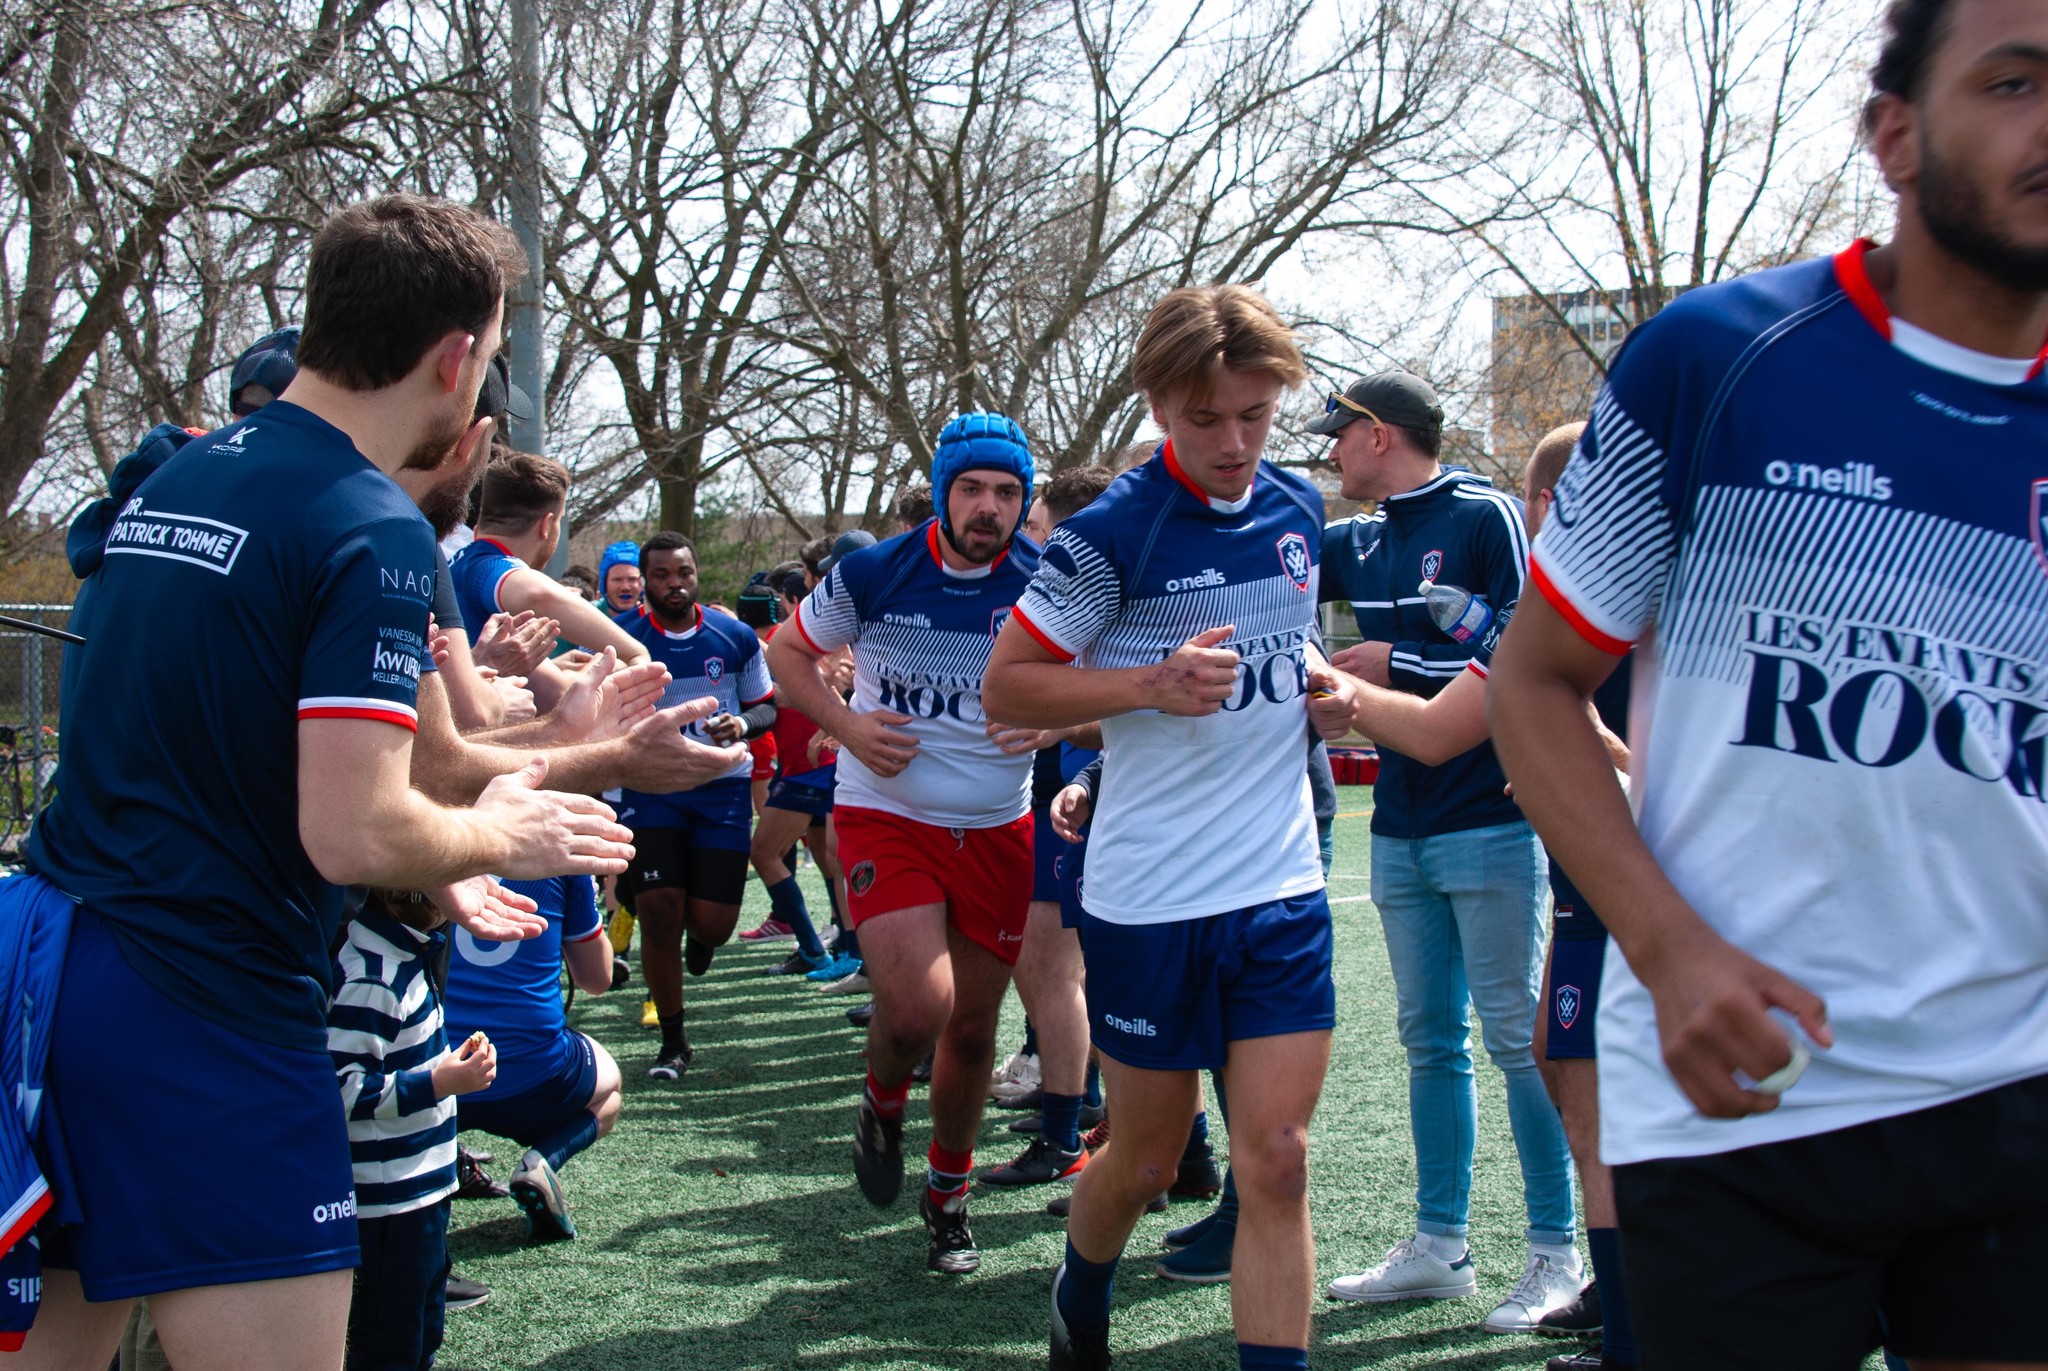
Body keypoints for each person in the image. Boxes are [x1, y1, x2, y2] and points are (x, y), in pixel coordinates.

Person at [1487, 2, 2048, 1366]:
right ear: (1896, 135)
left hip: (2016, 1088)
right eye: (2017, 81)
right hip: (1739, 1090)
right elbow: (1535, 686)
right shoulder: (1722, 356)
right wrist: (1670, 951)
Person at [10, 193, 634, 1370]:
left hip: (55, 974)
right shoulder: (370, 523)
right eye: (492, 356)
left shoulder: (184, 472)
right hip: (206, 1002)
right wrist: (499, 834)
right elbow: (354, 831)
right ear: (457, 358)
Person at [983, 283, 1348, 1371]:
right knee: (1143, 1160)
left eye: (1254, 415)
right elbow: (1008, 688)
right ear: (1156, 403)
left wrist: (1321, 691)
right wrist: (1145, 684)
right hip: (1148, 897)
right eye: (1205, 420)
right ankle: (1077, 1283)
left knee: (1276, 1159)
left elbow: (1288, 659)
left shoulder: (1297, 511)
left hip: (1279, 886)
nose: (1233, 443)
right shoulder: (1109, 536)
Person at [1313, 370, 1580, 1330]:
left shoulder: (1485, 514)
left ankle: (1557, 1251)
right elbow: (1275, 542)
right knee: (1430, 1042)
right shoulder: (1364, 535)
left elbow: (1526, 651)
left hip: (1491, 821)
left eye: (1337, 436)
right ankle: (1441, 1243)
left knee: (1520, 1043)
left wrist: (1402, 667)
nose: (1328, 453)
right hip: (1400, 823)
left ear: (1378, 434)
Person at [767, 413, 1046, 1276]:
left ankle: (948, 1198)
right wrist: (848, 726)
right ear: (941, 493)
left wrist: (1055, 720)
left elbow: (1095, 680)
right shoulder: (875, 571)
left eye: (1007, 492)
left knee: (971, 1029)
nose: (989, 507)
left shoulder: (1048, 579)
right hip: (886, 812)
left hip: (1001, 827)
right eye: (972, 488)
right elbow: (786, 655)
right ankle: (881, 1100)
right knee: (920, 1006)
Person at [980, 465, 1116, 1190]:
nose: (1030, 541)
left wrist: (1057, 727)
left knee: (1071, 969)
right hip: (1071, 790)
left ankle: (1083, 1130)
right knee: (1049, 962)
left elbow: (1146, 706)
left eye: (1035, 526)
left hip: (1098, 800)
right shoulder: (1063, 590)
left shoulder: (1110, 585)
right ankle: (1086, 1111)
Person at [613, 531, 777, 1081]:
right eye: (661, 576)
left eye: (682, 573)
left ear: (695, 574)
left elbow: (766, 708)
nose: (673, 584)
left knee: (712, 926)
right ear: (644, 582)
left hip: (722, 787)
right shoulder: (624, 639)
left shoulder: (733, 637)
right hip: (651, 789)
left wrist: (743, 724)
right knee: (661, 911)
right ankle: (674, 1042)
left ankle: (701, 942)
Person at [329, 887, 497, 1371]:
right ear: (421, 893)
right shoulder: (373, 975)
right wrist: (440, 1081)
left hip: (418, 1196)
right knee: (388, 1349)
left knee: (421, 1335)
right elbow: (341, 1091)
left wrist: (448, 1066)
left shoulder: (405, 952)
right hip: (388, 1207)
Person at [444, 873, 619, 1244]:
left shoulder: (418, 841)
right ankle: (541, 1163)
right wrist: (587, 902)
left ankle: (441, 1151)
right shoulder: (556, 856)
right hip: (534, 1078)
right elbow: (597, 979)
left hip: (435, 1078)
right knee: (610, 1086)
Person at [450, 450, 653, 712]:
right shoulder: (489, 567)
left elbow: (549, 687)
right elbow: (536, 594)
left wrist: (558, 667)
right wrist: (631, 653)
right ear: (547, 525)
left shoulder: (460, 561)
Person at [742, 564, 849, 975]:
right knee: (828, 861)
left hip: (811, 768)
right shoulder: (816, 641)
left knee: (764, 852)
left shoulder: (783, 644)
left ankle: (814, 946)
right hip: (819, 764)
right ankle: (843, 944)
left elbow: (789, 698)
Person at [598, 540, 643, 614]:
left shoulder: (656, 618)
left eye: (632, 579)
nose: (625, 587)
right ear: (605, 585)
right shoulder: (586, 614)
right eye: (617, 580)